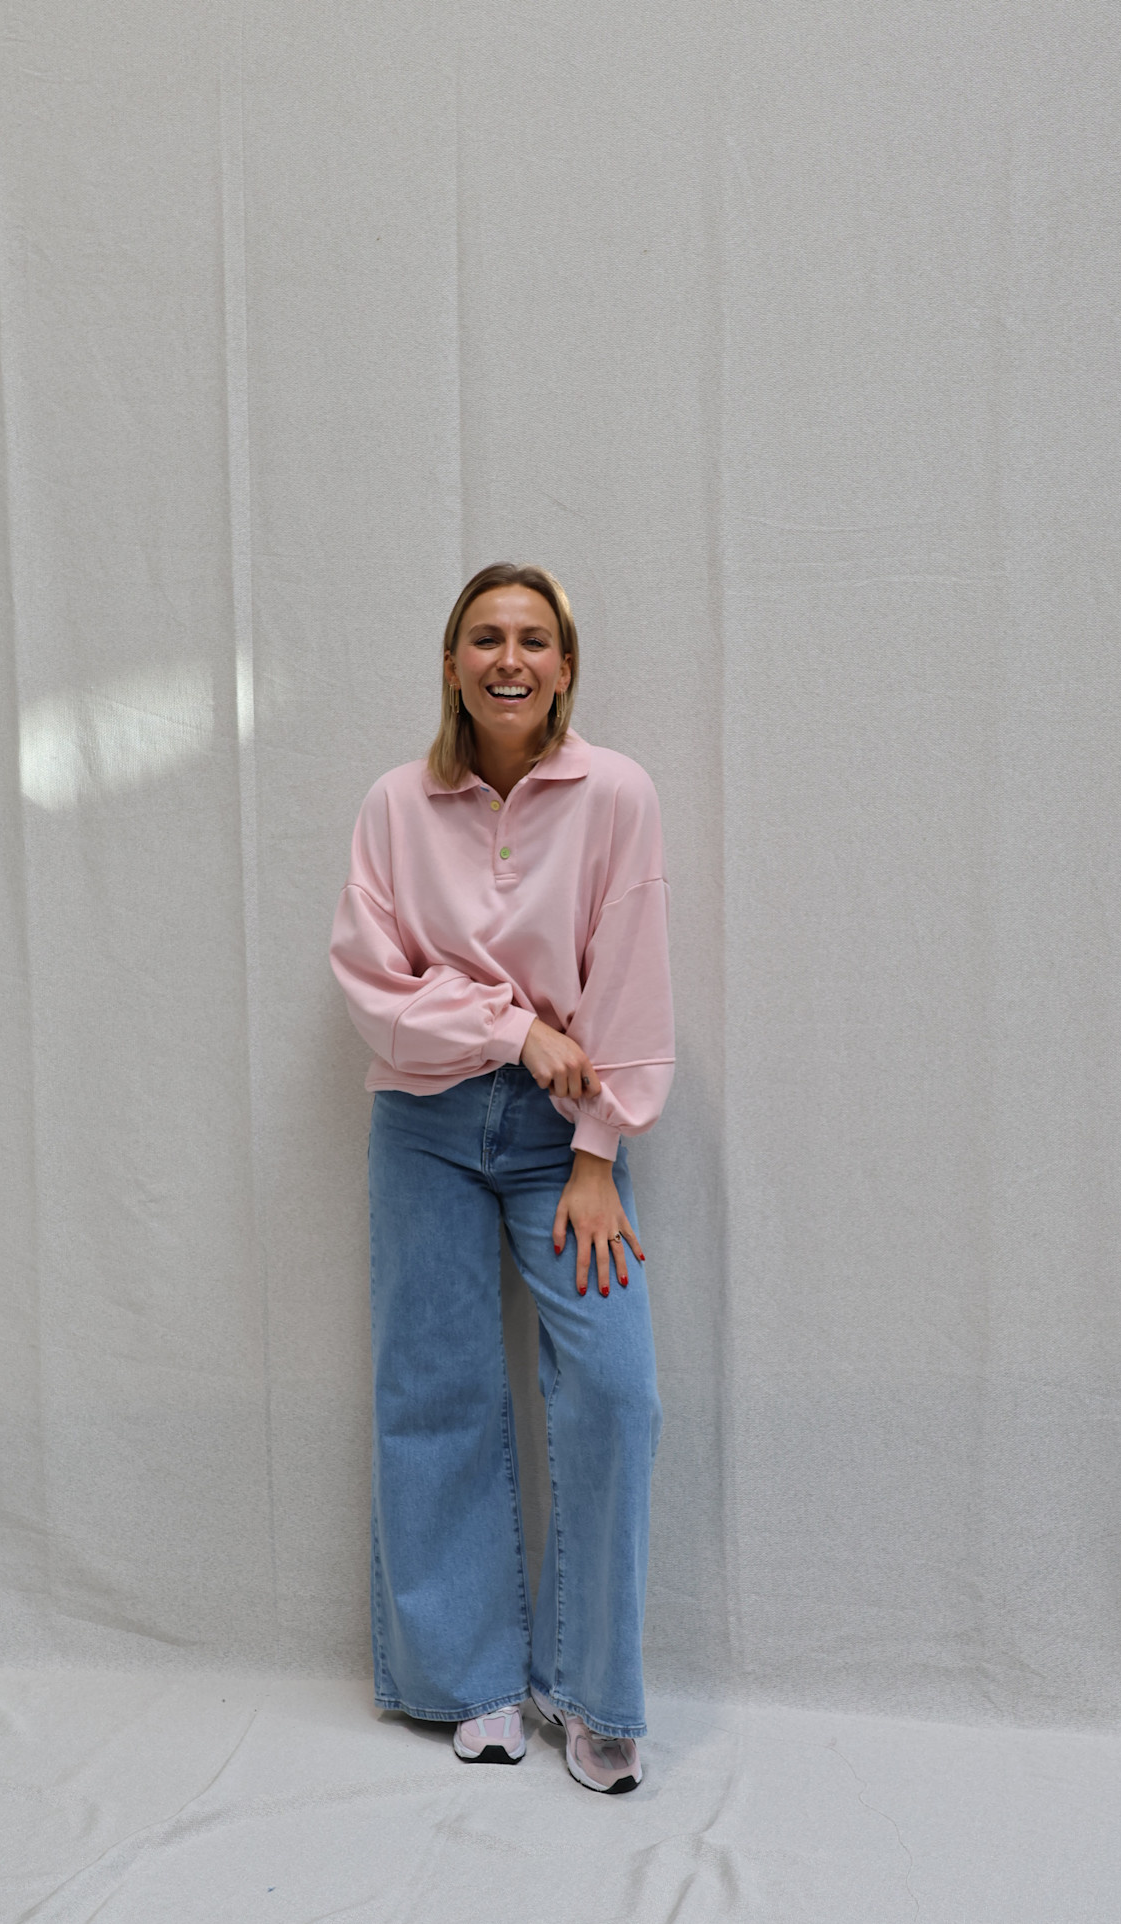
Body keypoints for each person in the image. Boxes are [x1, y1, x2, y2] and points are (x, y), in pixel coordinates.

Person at [329, 563, 674, 1794]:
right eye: (485, 637)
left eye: (534, 638)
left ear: (565, 666)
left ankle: (589, 1688)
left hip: (562, 1130)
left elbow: (630, 980)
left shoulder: (616, 793)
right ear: (451, 662)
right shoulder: (395, 802)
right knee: (437, 1387)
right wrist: (512, 1026)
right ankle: (466, 1673)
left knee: (616, 1390)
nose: (509, 658)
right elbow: (372, 982)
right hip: (422, 1118)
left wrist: (597, 1154)